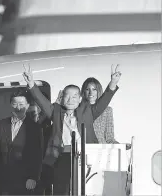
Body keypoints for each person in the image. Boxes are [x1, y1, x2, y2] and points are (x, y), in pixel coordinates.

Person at [22, 64, 122, 195]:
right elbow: (41, 101)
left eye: (74, 96)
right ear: (62, 99)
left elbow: (104, 101)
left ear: (80, 99)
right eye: (67, 96)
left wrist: (113, 82)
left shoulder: (88, 112)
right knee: (61, 190)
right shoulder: (56, 111)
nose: (70, 100)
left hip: (85, 156)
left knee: (86, 189)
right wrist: (31, 83)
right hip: (62, 156)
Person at [0, 90, 43, 195]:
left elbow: (37, 154)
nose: (18, 108)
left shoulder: (35, 127)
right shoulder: (1, 124)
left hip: (25, 179)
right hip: (2, 178)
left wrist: (33, 177)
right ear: (10, 105)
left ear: (27, 106)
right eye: (14, 104)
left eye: (21, 104)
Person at [81, 77, 119, 144]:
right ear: (83, 91)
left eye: (94, 89)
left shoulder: (107, 110)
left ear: (98, 90)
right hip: (83, 149)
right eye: (87, 89)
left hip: (101, 150)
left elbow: (109, 138)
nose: (90, 92)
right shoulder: (78, 109)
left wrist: (121, 146)